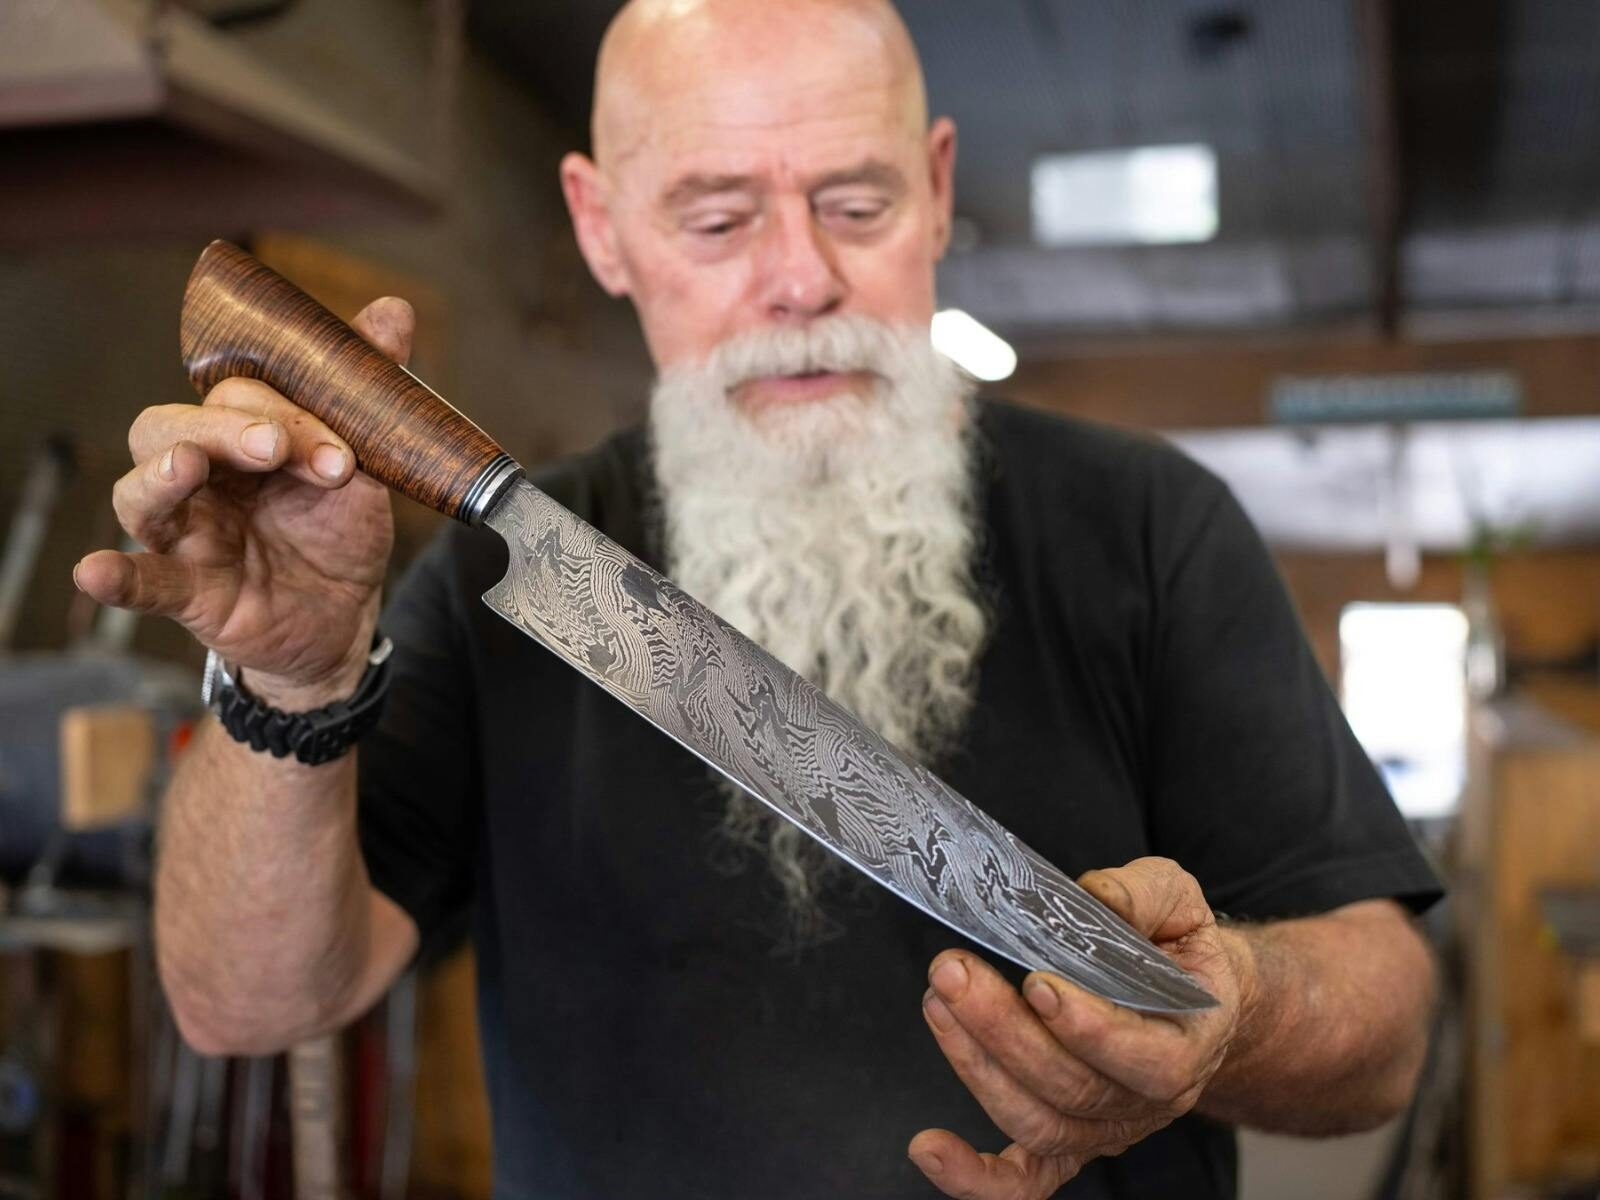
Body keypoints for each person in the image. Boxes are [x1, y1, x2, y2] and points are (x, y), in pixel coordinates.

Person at [76, 1, 1442, 1196]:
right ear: (601, 229)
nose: (799, 279)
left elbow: (1385, 1028)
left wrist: (1237, 1011)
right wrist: (290, 679)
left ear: (940, 184)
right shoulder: (505, 581)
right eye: (718, 217)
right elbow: (243, 1001)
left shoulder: (1149, 527)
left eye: (855, 204)